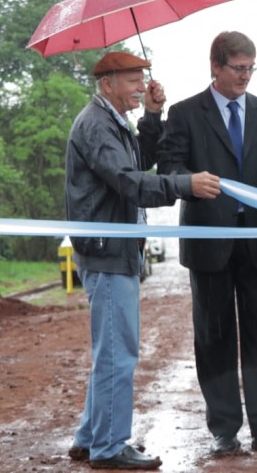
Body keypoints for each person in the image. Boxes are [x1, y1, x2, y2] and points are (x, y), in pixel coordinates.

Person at [157, 31, 257, 457]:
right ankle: (224, 430)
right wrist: (189, 183)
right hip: (208, 244)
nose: (245, 76)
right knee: (213, 339)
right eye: (238, 68)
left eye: (251, 67)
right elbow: (168, 167)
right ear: (215, 67)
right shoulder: (183, 113)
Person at [66, 51, 196, 470]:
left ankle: (90, 437)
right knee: (118, 353)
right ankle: (109, 446)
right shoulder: (95, 124)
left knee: (111, 349)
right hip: (107, 253)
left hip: (114, 251)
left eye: (143, 79)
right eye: (133, 80)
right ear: (107, 84)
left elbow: (137, 161)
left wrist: (154, 116)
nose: (142, 85)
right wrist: (184, 184)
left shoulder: (110, 121)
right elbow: (128, 181)